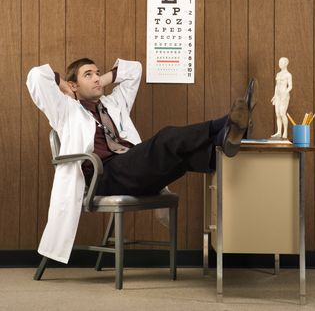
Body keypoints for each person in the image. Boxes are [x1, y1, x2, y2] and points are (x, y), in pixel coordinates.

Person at [26, 58, 253, 263]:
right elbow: (36, 77)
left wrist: (99, 81)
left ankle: (224, 140)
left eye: (98, 73)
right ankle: (224, 125)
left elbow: (134, 69)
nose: (97, 78)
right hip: (105, 176)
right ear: (74, 85)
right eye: (89, 75)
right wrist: (65, 86)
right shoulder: (66, 110)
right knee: (166, 137)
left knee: (181, 158)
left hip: (134, 170)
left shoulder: (114, 103)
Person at [271, 57, 292, 139]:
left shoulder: (288, 74)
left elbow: (290, 86)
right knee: (277, 114)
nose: (280, 64)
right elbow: (277, 86)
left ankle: (285, 132)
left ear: (286, 63)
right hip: (278, 96)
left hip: (284, 95)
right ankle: (279, 132)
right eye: (279, 62)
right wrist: (274, 95)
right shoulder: (278, 74)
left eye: (282, 62)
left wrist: (285, 94)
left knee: (282, 113)